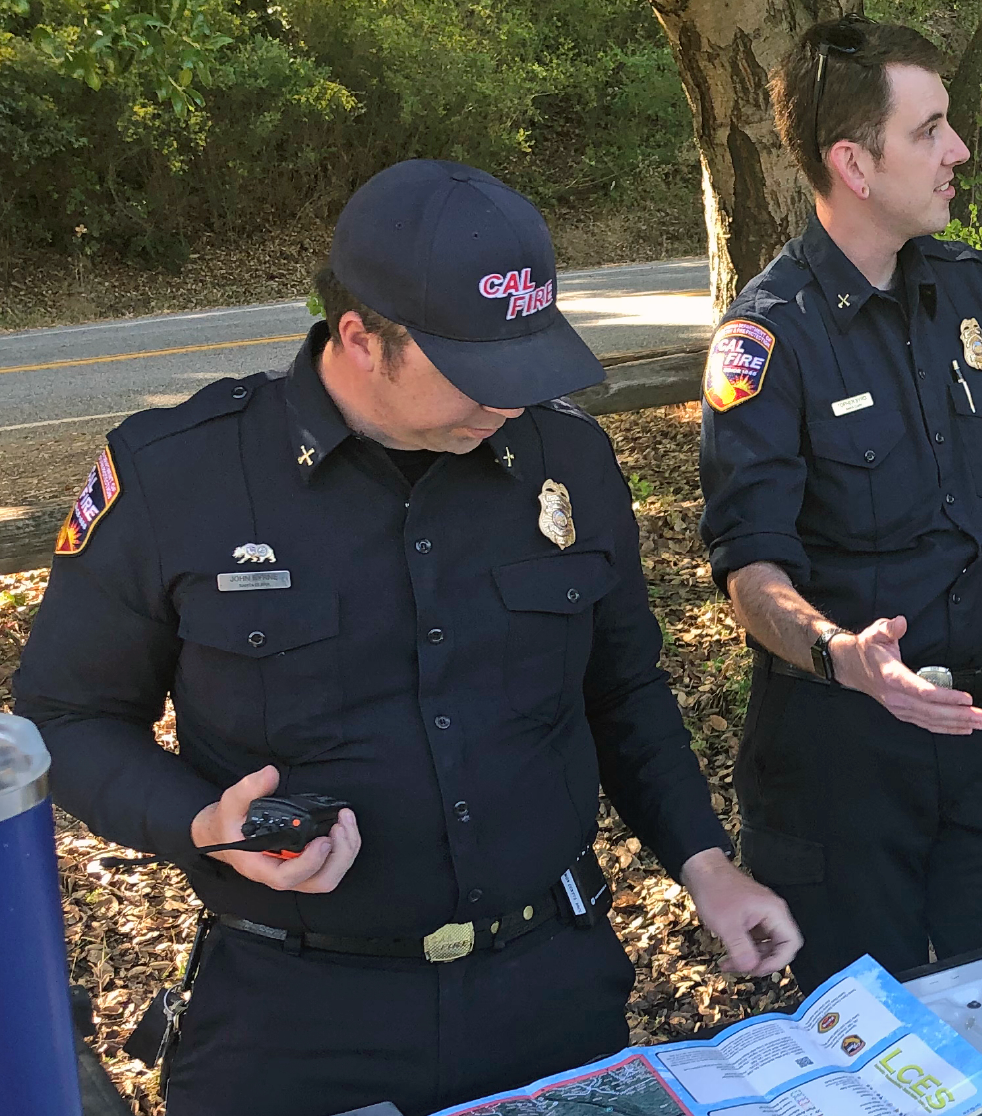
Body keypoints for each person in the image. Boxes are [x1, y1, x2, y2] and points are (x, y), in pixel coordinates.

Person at [12, 159, 800, 1116]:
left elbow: (623, 690)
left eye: (529, 365)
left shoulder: (568, 463)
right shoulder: (180, 475)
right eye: (478, 374)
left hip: (546, 991)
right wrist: (198, 825)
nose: (508, 401)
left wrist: (705, 866)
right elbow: (70, 715)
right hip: (294, 1017)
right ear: (361, 337)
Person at [697, 15, 982, 991]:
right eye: (930, 129)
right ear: (854, 163)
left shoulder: (977, 293)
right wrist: (838, 655)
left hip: (978, 731)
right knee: (864, 1046)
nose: (959, 150)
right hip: (835, 763)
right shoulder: (766, 340)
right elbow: (748, 567)